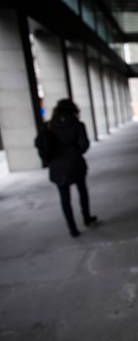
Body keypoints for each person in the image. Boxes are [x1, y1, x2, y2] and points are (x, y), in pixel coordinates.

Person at [35, 99, 98, 237]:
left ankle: (72, 229)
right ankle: (86, 218)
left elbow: (41, 146)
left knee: (64, 198)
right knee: (82, 191)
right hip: (75, 163)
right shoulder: (77, 125)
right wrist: (74, 152)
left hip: (57, 167)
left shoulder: (49, 126)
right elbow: (84, 145)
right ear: (73, 110)